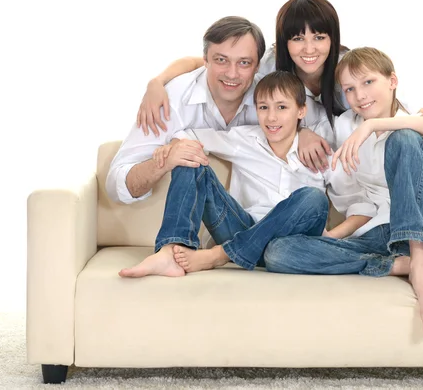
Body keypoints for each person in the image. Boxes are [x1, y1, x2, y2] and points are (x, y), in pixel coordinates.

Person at [134, 0, 423, 174]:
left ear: (333, 39)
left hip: (358, 173)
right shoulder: (270, 67)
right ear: (284, 43)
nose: (309, 48)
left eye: (319, 37)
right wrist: (157, 81)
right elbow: (209, 60)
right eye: (297, 38)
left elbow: (399, 108)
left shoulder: (350, 71)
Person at [262, 47, 423, 336]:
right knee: (278, 252)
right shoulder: (344, 127)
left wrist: (375, 125)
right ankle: (399, 265)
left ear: (392, 81)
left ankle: (420, 264)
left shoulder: (415, 118)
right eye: (350, 89)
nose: (361, 95)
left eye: (368, 82)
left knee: (404, 139)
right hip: (378, 236)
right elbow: (359, 202)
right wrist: (304, 132)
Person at [118, 71, 335, 278]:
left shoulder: (319, 151)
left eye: (281, 107)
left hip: (289, 247)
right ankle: (171, 249)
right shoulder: (244, 140)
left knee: (313, 197)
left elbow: (356, 198)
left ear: (301, 111)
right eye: (263, 107)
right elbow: (189, 134)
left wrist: (334, 238)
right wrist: (174, 146)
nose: (271, 117)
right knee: (189, 157)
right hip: (241, 228)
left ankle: (218, 256)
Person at [106, 15, 266, 206]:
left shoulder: (272, 100)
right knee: (187, 160)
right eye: (221, 60)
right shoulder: (171, 100)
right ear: (205, 59)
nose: (232, 73)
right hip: (195, 209)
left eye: (244, 63)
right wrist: (164, 162)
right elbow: (116, 185)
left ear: (258, 66)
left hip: (250, 218)